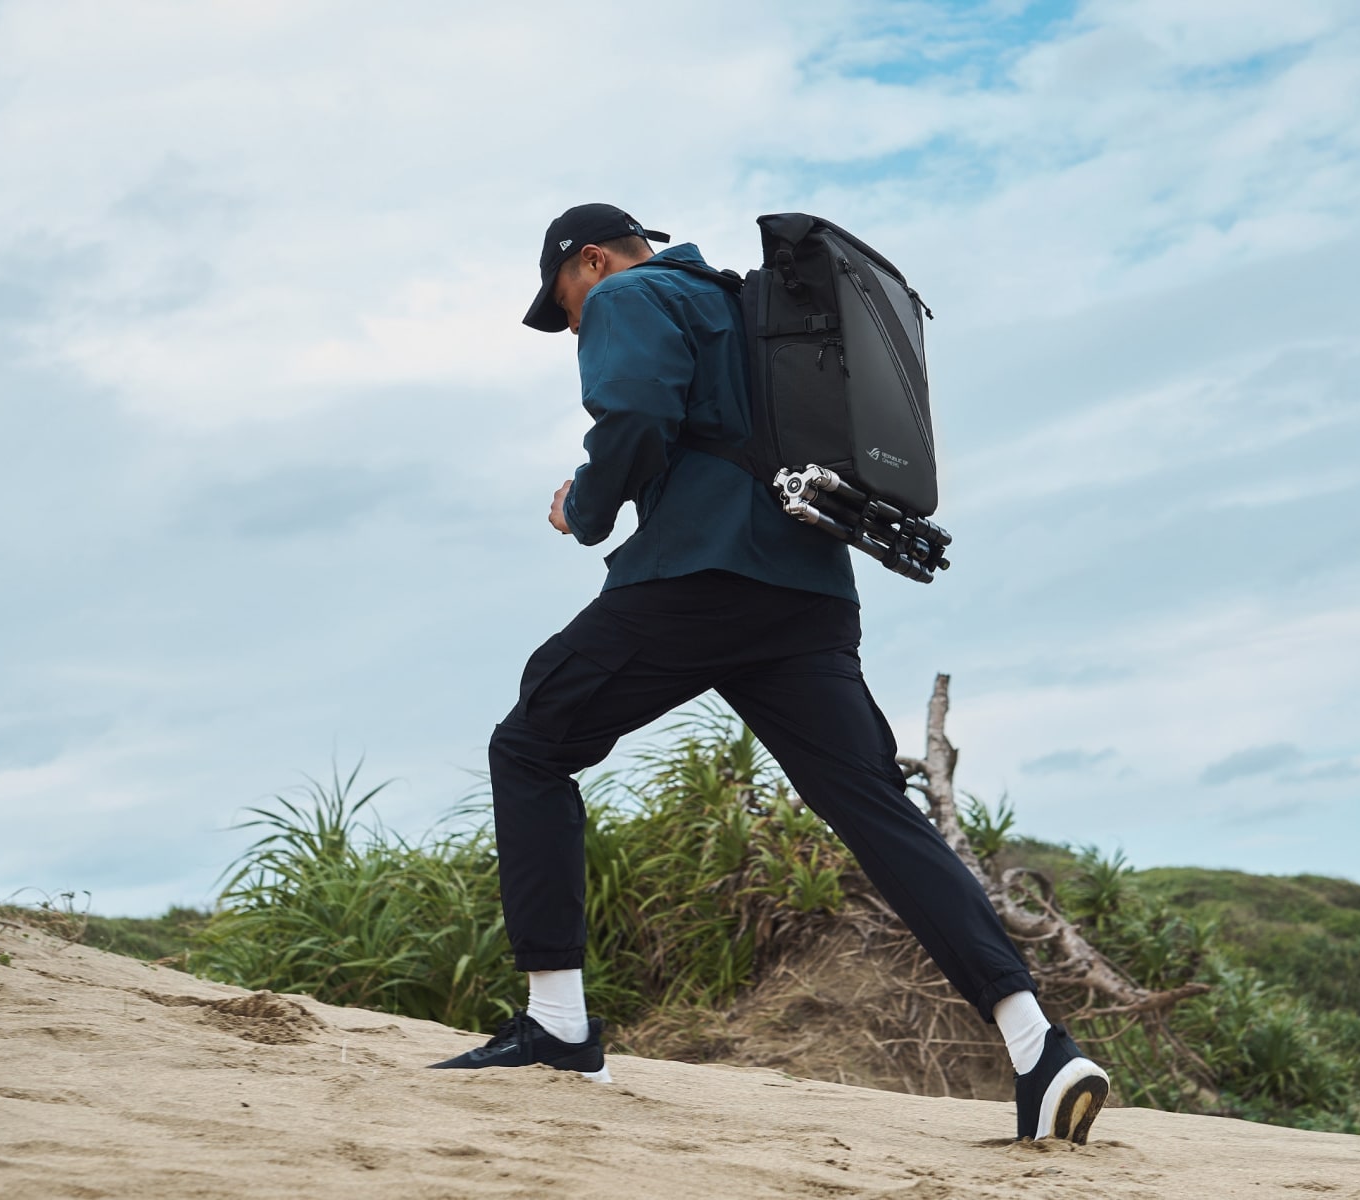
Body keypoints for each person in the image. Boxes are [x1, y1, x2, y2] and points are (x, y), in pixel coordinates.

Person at [428, 203, 1110, 1143]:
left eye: (566, 306)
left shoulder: (635, 296)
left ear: (591, 262)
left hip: (697, 575)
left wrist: (581, 510)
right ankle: (1040, 1046)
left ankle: (557, 1027)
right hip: (808, 595)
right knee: (877, 812)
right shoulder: (750, 306)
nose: (575, 326)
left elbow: (634, 415)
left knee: (531, 745)